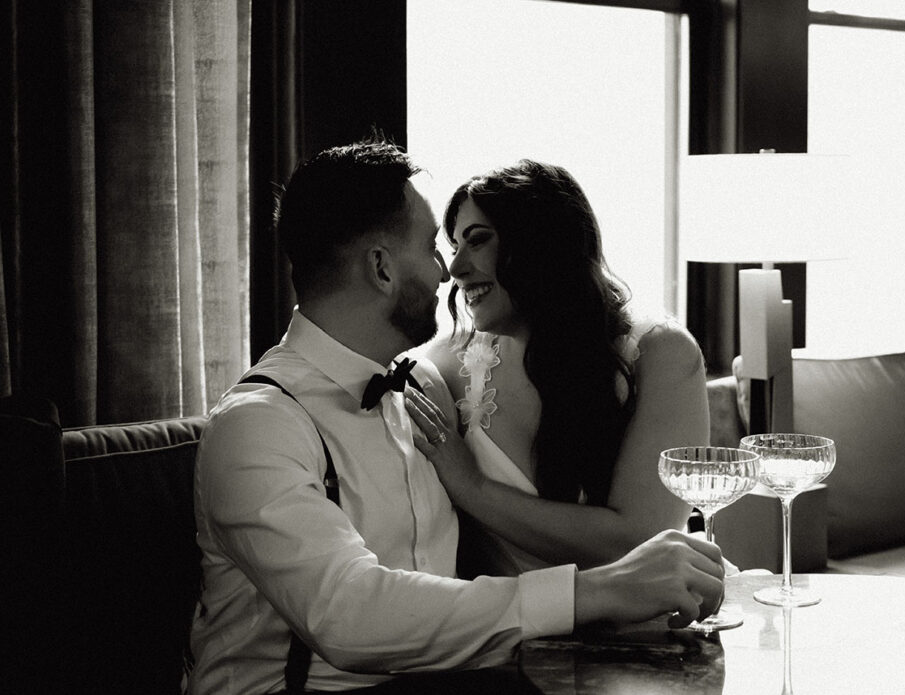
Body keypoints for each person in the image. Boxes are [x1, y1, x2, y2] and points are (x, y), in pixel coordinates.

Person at [188, 140, 726, 695]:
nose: (448, 270)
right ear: (381, 268)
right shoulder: (258, 426)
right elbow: (349, 618)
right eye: (431, 246)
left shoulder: (420, 387)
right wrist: (599, 591)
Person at [405, 159, 711, 577]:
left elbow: (641, 542)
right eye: (454, 246)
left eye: (477, 241)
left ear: (539, 242)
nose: (455, 269)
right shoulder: (441, 369)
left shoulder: (658, 353)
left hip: (641, 626)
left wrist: (471, 486)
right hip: (509, 630)